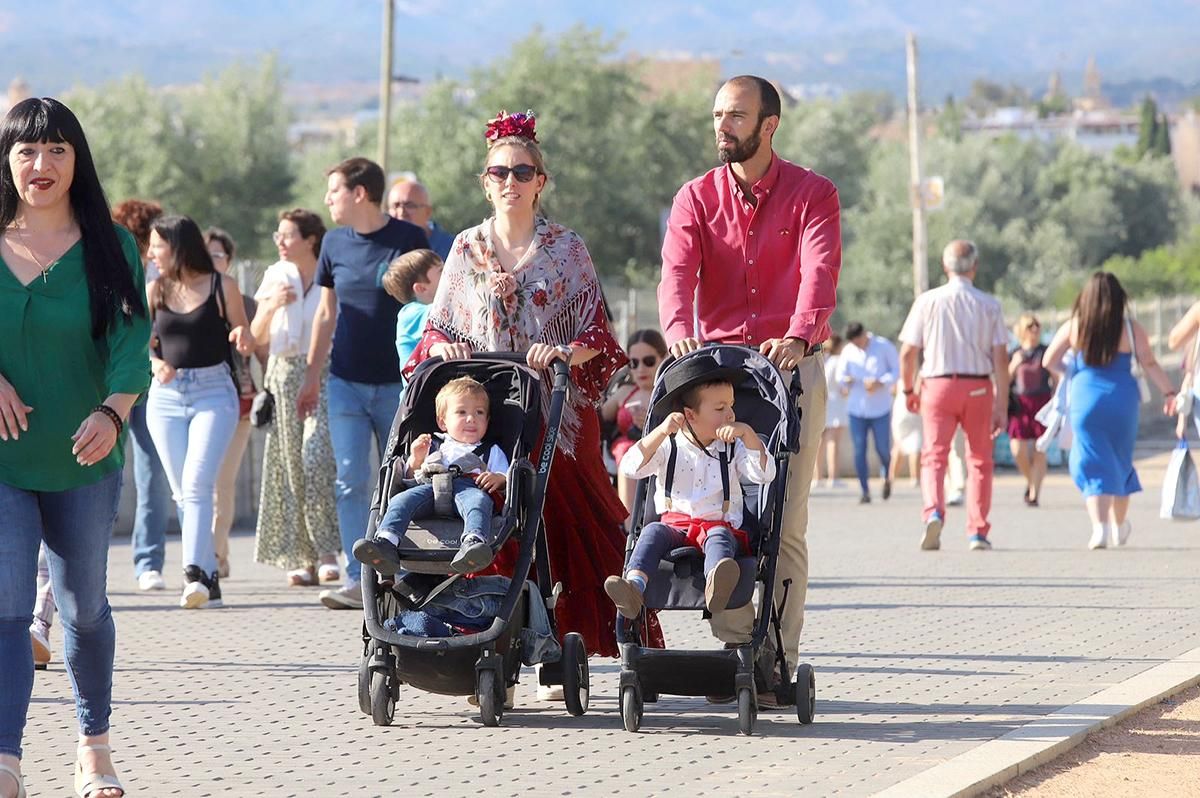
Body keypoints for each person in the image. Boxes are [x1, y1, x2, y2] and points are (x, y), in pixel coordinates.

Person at [405, 109, 660, 659]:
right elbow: (436, 330)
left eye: (523, 173)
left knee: (562, 528)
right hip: (486, 411)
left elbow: (598, 330)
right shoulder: (464, 249)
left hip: (555, 411)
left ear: (540, 181)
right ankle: (485, 641)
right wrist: (445, 347)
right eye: (499, 173)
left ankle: (560, 648)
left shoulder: (568, 248)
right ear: (485, 181)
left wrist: (564, 351)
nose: (510, 183)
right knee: (490, 516)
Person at [659, 75, 840, 702]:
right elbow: (677, 275)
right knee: (722, 511)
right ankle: (742, 651)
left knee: (785, 522)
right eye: (717, 115)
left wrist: (798, 334)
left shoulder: (814, 194)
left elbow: (820, 273)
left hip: (791, 372)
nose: (722, 126)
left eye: (736, 115)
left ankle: (780, 663)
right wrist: (679, 333)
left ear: (769, 125)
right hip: (718, 378)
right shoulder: (695, 198)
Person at [0, 96, 151, 798]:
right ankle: (6, 761)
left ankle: (94, 750)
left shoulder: (109, 245)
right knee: (4, 609)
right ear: (8, 159)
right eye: (28, 150)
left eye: (58, 149)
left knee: (83, 606)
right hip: (3, 460)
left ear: (76, 161)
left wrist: (113, 413)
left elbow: (130, 345)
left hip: (86, 456)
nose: (42, 164)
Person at [301, 158, 429, 610]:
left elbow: (435, 300)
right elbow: (325, 312)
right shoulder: (334, 243)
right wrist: (312, 375)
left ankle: (409, 573)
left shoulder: (409, 238)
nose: (327, 200)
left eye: (333, 190)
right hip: (345, 382)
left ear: (359, 193)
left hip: (399, 385)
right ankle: (359, 580)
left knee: (403, 478)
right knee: (351, 479)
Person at [605, 355, 776, 619]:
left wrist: (749, 435)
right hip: (674, 525)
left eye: (731, 406)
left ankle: (716, 584)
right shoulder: (668, 446)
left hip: (716, 525)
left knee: (720, 540)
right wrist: (660, 432)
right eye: (720, 408)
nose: (730, 414)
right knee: (651, 532)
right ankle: (634, 586)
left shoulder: (732, 448)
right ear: (690, 415)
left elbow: (764, 473)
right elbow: (630, 467)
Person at [146, 215, 255, 609]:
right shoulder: (155, 289)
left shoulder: (222, 286)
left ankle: (193, 572)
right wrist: (155, 363)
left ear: (177, 246)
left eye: (157, 246)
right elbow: (144, 342)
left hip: (214, 393)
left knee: (195, 487)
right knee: (183, 492)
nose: (151, 253)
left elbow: (245, 336)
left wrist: (243, 337)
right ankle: (209, 576)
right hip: (165, 398)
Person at [1043, 273, 1177, 548]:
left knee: (1092, 462)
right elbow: (1149, 362)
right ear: (1119, 299)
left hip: (1085, 398)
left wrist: (1073, 371)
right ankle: (1118, 526)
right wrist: (1169, 392)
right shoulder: (1130, 328)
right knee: (1119, 461)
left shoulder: (1075, 325)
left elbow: (1049, 360)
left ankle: (1099, 528)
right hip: (1122, 401)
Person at [898, 240, 1008, 552]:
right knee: (979, 460)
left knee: (934, 456)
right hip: (977, 387)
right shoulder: (990, 305)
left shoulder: (927, 301)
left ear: (946, 266)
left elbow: (908, 352)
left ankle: (933, 511)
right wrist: (1002, 404)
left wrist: (908, 389)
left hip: (937, 384)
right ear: (974, 267)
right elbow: (1001, 358)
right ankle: (977, 531)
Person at [251, 209, 341, 586]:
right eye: (278, 235)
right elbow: (256, 336)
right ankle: (301, 557)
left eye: (288, 235)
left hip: (323, 372)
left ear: (310, 240)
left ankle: (326, 551)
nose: (280, 241)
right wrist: (272, 306)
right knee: (289, 465)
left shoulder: (329, 273)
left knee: (316, 459)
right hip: (283, 373)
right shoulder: (274, 275)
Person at [353, 376, 509, 574]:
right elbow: (410, 477)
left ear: (487, 421)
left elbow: (506, 477)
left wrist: (500, 479)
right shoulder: (432, 444)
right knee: (401, 500)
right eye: (462, 412)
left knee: (479, 502)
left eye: (479, 413)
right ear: (442, 422)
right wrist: (416, 458)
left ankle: (473, 542)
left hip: (469, 489)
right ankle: (386, 541)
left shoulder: (491, 450)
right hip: (429, 487)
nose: (471, 419)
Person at [111, 198, 172, 592]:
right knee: (106, 470)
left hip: (153, 383)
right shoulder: (110, 263)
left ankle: (148, 561)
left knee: (152, 474)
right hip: (114, 381)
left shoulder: (167, 273)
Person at [204, 227, 263, 579]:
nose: (211, 262)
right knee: (198, 485)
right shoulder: (184, 297)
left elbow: (258, 343)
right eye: (204, 254)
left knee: (220, 483)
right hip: (191, 401)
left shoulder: (246, 303)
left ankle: (213, 556)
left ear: (230, 260)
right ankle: (210, 557)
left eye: (218, 255)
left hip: (237, 401)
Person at [601, 329, 668, 516]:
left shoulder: (668, 393)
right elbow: (598, 419)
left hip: (662, 449)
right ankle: (628, 521)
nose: (640, 369)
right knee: (628, 451)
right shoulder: (624, 392)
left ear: (663, 358)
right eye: (633, 363)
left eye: (648, 361)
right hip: (624, 451)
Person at [837, 322, 899, 503]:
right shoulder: (848, 351)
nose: (858, 345)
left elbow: (896, 370)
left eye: (859, 341)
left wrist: (881, 382)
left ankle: (888, 476)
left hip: (880, 408)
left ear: (865, 334)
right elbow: (840, 376)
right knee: (859, 451)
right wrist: (846, 382)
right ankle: (864, 490)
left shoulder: (883, 346)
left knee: (882, 449)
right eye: (854, 343)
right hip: (857, 409)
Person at [1007, 313, 1054, 506]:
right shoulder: (1014, 352)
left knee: (1039, 449)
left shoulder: (1046, 352)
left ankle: (1035, 492)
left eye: (1037, 326)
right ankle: (1030, 479)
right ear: (1021, 330)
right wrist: (1013, 365)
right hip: (1020, 404)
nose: (1034, 330)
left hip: (1041, 402)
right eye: (1029, 326)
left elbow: (1056, 375)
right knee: (1018, 449)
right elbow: (1005, 379)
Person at [382, 248, 444, 370]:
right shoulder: (410, 314)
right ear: (421, 288)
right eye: (441, 270)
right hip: (419, 388)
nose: (448, 272)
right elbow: (444, 312)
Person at [387, 178, 454, 259]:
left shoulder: (452, 249)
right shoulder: (383, 247)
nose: (401, 212)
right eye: (395, 206)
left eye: (409, 205)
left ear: (427, 212)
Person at [817, 334, 849, 488]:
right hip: (836, 404)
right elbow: (842, 384)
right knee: (833, 442)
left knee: (819, 442)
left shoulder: (820, 358)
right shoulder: (837, 361)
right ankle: (833, 477)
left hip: (821, 402)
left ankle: (817, 477)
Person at [889, 378, 922, 488]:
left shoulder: (900, 376)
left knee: (899, 445)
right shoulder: (922, 374)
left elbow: (892, 390)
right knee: (916, 446)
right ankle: (915, 478)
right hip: (914, 410)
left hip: (900, 411)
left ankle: (891, 478)